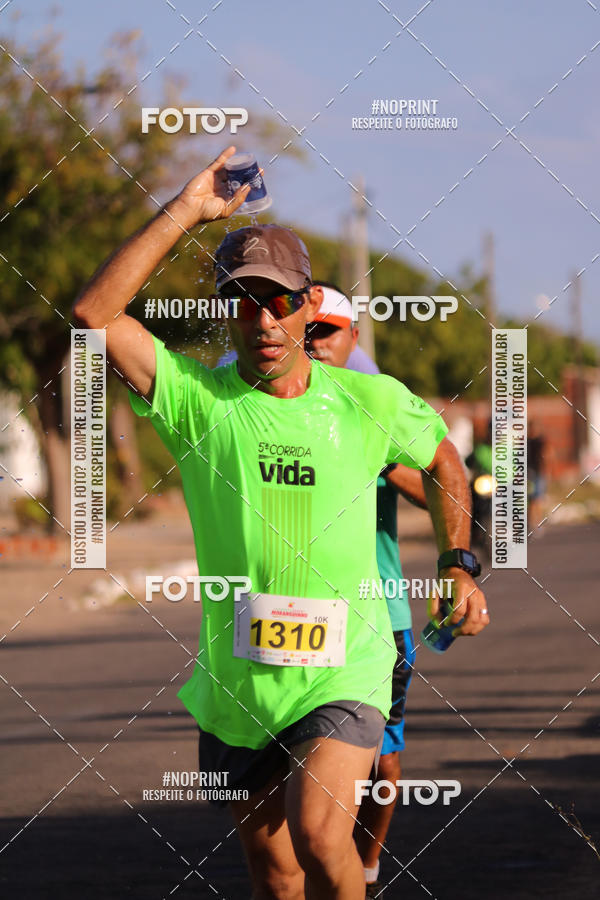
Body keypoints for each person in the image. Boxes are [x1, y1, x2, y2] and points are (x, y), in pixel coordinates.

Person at [73, 146, 489, 900]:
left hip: (345, 667)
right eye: (244, 300)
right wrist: (187, 208)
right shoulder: (198, 401)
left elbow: (444, 467)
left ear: (307, 305)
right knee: (274, 875)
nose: (263, 320)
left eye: (280, 301)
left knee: (322, 834)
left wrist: (460, 561)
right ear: (227, 309)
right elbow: (92, 314)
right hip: (241, 685)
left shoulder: (367, 402)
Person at [305, 283, 427, 897]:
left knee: (379, 760)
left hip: (380, 614)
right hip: (299, 611)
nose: (315, 343)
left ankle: (370, 862)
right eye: (308, 330)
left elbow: (440, 482)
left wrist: (382, 461)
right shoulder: (279, 405)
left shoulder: (375, 407)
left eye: (328, 332)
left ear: (353, 338)